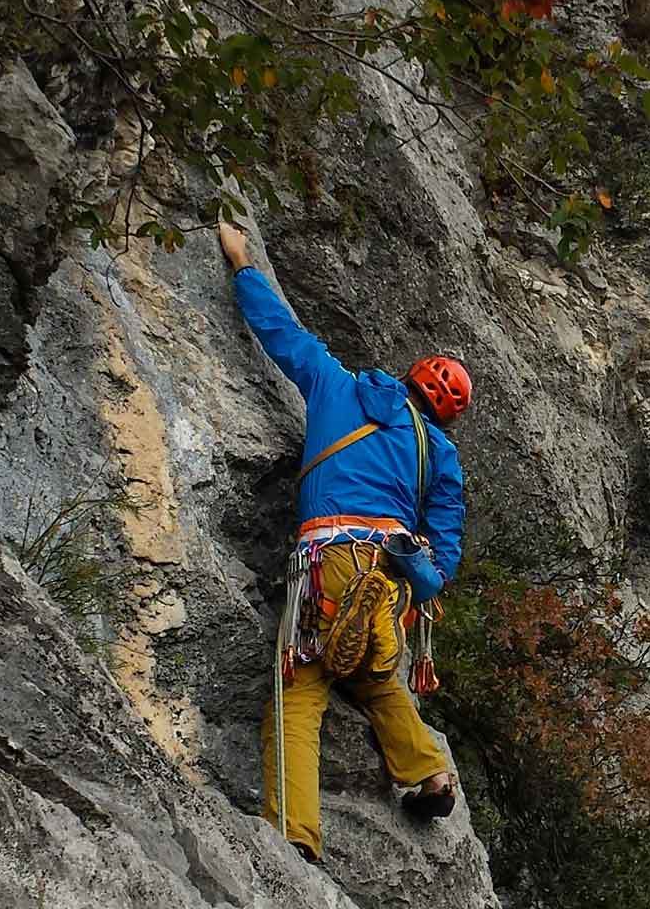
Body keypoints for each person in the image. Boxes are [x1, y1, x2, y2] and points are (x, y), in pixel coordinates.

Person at [218, 222, 471, 865]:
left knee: (299, 692)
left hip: (325, 565)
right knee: (375, 675)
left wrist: (243, 263)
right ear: (445, 413)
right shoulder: (439, 455)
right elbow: (443, 553)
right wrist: (425, 580)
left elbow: (282, 333)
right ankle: (430, 773)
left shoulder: (338, 387)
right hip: (387, 577)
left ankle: (295, 837)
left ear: (408, 376)